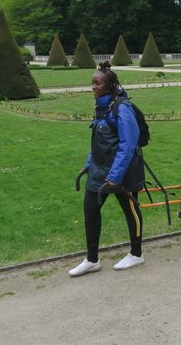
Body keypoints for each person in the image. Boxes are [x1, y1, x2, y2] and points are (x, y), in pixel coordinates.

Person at [69, 61, 146, 277]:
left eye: (98, 83)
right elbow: (98, 142)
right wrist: (88, 165)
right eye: (92, 83)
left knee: (130, 211)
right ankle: (92, 260)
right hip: (99, 171)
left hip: (123, 172)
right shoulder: (101, 108)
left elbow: (128, 145)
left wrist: (115, 176)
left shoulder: (122, 108)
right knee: (90, 211)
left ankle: (137, 254)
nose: (93, 87)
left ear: (110, 86)